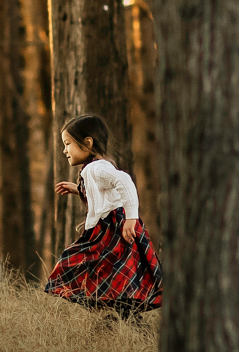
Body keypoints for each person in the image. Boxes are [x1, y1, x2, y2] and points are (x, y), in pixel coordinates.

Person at [44, 114, 162, 318]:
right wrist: (79, 190)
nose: (64, 150)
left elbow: (124, 182)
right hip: (111, 229)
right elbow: (106, 195)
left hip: (113, 231)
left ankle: (118, 317)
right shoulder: (94, 168)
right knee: (112, 277)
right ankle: (117, 318)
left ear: (87, 142)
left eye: (68, 143)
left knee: (74, 263)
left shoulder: (95, 168)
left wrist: (131, 219)